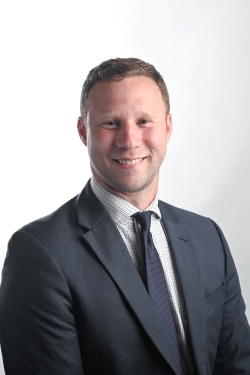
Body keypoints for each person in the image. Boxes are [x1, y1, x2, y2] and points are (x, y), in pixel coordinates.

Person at [0, 58, 250, 375]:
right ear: (83, 131)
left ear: (168, 127)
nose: (130, 141)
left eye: (145, 121)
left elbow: (239, 365)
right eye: (111, 123)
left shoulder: (207, 237)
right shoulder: (39, 252)